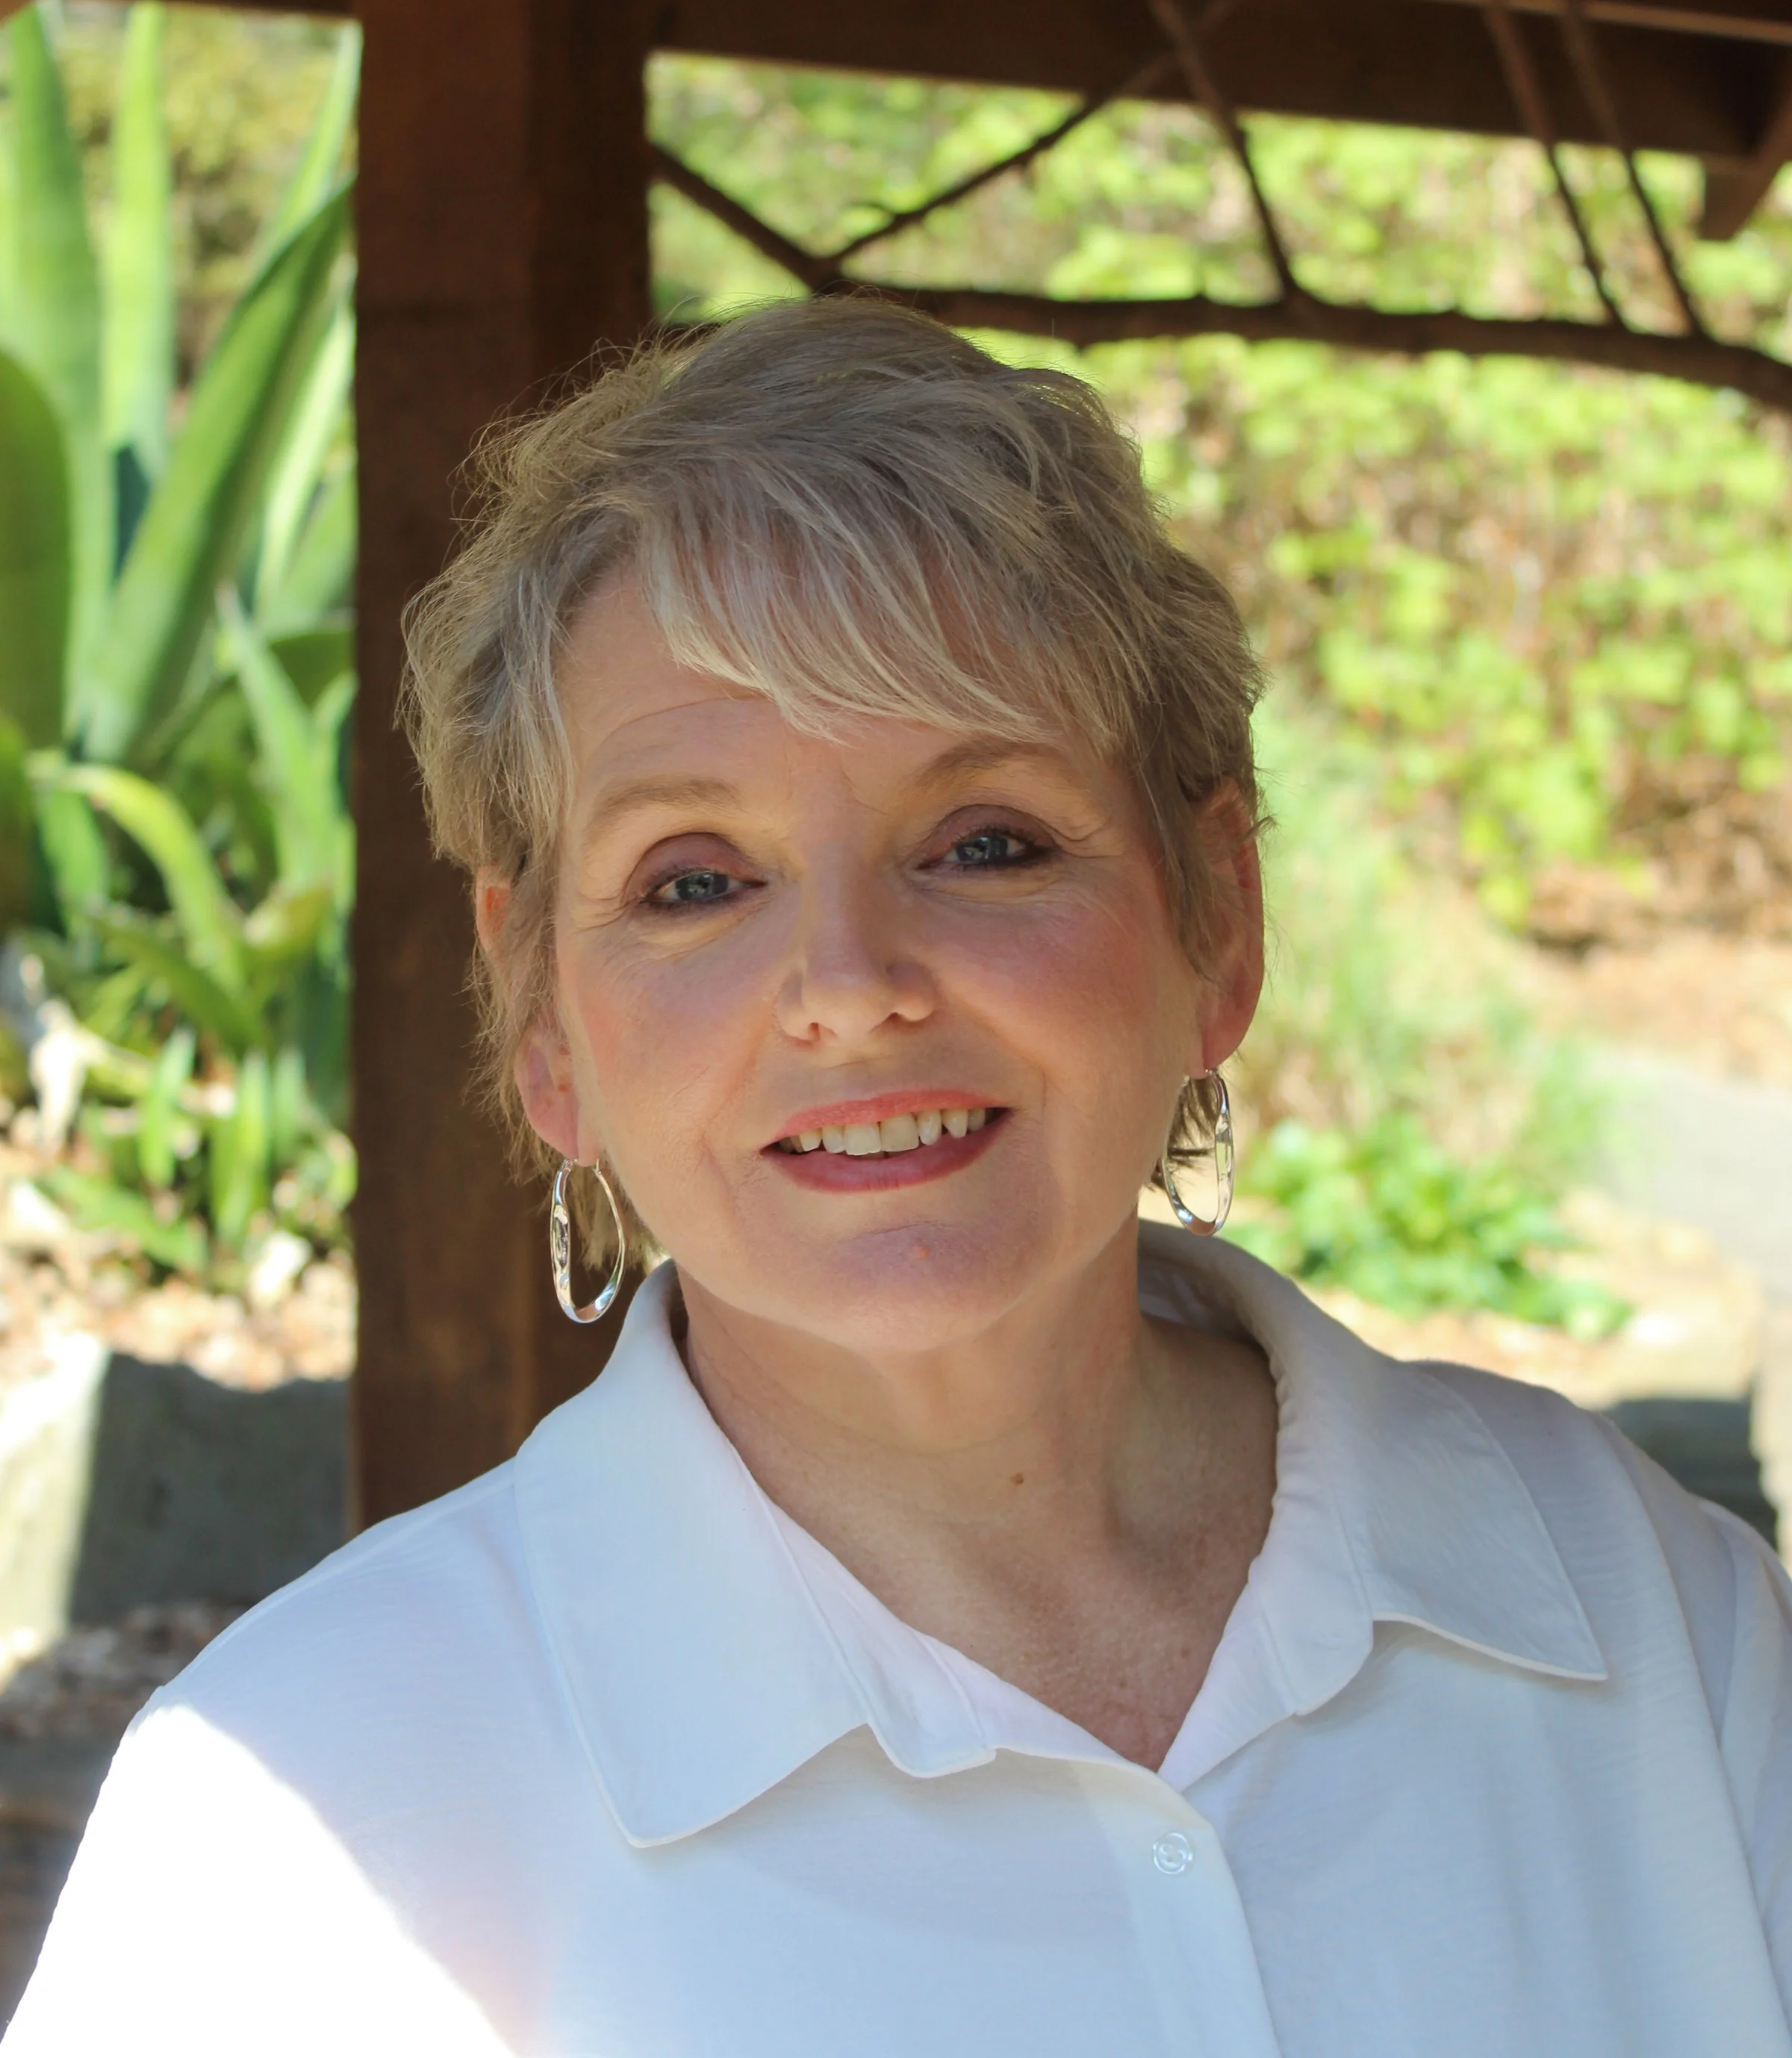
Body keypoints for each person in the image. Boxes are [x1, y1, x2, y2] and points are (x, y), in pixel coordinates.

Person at [9, 301, 1792, 2058]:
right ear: (542, 1015)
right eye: (697, 878)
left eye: (986, 842)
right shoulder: (305, 1817)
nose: (853, 985)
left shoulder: (1649, 1619)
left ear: (1216, 920)